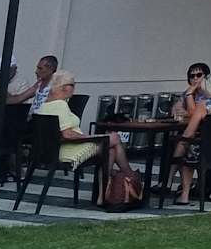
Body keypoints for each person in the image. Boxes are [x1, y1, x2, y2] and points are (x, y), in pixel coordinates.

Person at [35, 71, 136, 202]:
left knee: (111, 151)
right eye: (73, 85)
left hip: (52, 150)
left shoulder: (44, 106)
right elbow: (67, 134)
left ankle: (103, 195)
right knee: (114, 137)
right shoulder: (60, 105)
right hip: (69, 150)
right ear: (65, 87)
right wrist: (89, 137)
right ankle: (130, 176)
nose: (74, 88)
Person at [167, 67, 211, 203]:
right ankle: (196, 187)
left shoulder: (204, 105)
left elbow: (189, 133)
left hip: (207, 152)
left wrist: (177, 140)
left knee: (185, 147)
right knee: (188, 145)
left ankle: (183, 195)